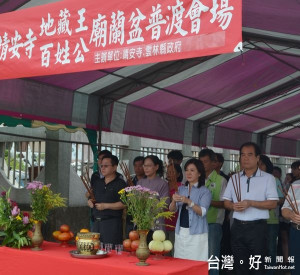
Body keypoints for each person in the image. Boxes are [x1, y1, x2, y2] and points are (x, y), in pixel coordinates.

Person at [223, 142, 278, 275]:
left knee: (258, 266)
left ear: (258, 158)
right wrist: (232, 206)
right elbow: (226, 201)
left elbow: (273, 204)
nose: (245, 158)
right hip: (237, 227)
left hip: (257, 229)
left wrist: (251, 203)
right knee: (240, 265)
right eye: (243, 155)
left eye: (250, 155)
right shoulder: (234, 178)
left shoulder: (268, 178)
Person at [169, 158, 212, 261]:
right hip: (181, 231)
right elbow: (172, 210)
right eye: (187, 170)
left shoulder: (205, 191)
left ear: (199, 173)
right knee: (180, 262)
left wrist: (189, 202)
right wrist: (174, 201)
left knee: (195, 263)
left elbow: (202, 212)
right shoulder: (181, 189)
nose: (188, 173)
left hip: (197, 233)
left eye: (192, 170)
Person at [87, 155, 126, 247]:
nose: (103, 168)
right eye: (101, 166)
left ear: (114, 167)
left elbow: (124, 203)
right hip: (96, 223)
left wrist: (106, 206)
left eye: (106, 166)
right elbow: (91, 198)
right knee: (95, 249)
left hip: (111, 223)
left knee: (110, 251)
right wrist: (89, 202)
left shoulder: (121, 184)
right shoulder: (98, 183)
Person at [199, 148, 227, 275]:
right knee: (198, 257)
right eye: (201, 161)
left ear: (213, 163)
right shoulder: (196, 179)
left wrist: (206, 201)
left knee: (212, 257)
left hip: (213, 224)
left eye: (205, 161)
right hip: (197, 224)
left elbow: (225, 203)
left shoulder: (221, 180)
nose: (203, 164)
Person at [258, 155, 284, 274]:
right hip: (256, 220)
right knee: (258, 249)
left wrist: (268, 202)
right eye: (258, 164)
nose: (259, 166)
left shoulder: (274, 180)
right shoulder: (252, 180)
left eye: (262, 164)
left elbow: (281, 199)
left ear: (267, 166)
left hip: (271, 220)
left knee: (271, 249)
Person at [138, 155, 169, 235]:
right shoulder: (140, 182)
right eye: (145, 165)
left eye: (149, 166)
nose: (146, 168)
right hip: (141, 223)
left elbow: (164, 204)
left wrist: (149, 202)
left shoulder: (163, 184)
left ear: (156, 167)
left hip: (156, 223)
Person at [282, 160, 300, 275]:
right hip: (296, 232)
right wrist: (291, 215)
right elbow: (284, 209)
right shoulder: (295, 185)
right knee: (296, 268)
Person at [165, 163, 183, 256]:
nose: (168, 174)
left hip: (175, 224)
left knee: (174, 252)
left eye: (172, 172)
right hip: (163, 223)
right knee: (164, 252)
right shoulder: (164, 185)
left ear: (178, 174)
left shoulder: (181, 187)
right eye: (167, 172)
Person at [125, 156, 145, 236]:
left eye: (140, 166)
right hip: (131, 216)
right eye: (135, 166)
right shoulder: (130, 181)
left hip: (144, 216)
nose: (137, 168)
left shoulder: (147, 181)